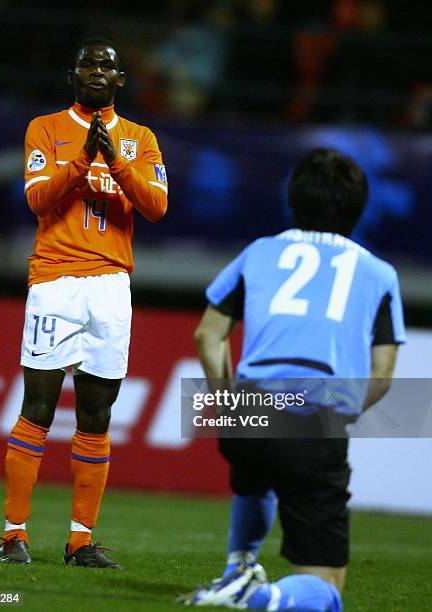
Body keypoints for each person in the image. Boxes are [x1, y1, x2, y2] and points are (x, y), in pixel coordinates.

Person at [184, 148, 405, 609]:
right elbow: (382, 376)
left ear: (294, 199)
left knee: (254, 478)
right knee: (327, 590)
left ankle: (237, 567)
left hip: (249, 410)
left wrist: (228, 403)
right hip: (315, 414)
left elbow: (208, 335)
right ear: (358, 207)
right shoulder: (379, 273)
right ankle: (257, 595)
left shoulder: (260, 251)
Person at [0, 37, 168, 567]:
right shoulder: (45, 129)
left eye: (108, 66)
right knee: (38, 407)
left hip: (112, 286)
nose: (98, 71)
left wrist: (114, 161)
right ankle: (13, 535)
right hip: (57, 280)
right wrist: (82, 161)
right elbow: (36, 198)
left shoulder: (140, 138)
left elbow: (157, 206)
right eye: (88, 64)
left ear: (120, 81)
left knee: (96, 414)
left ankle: (80, 541)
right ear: (73, 77)